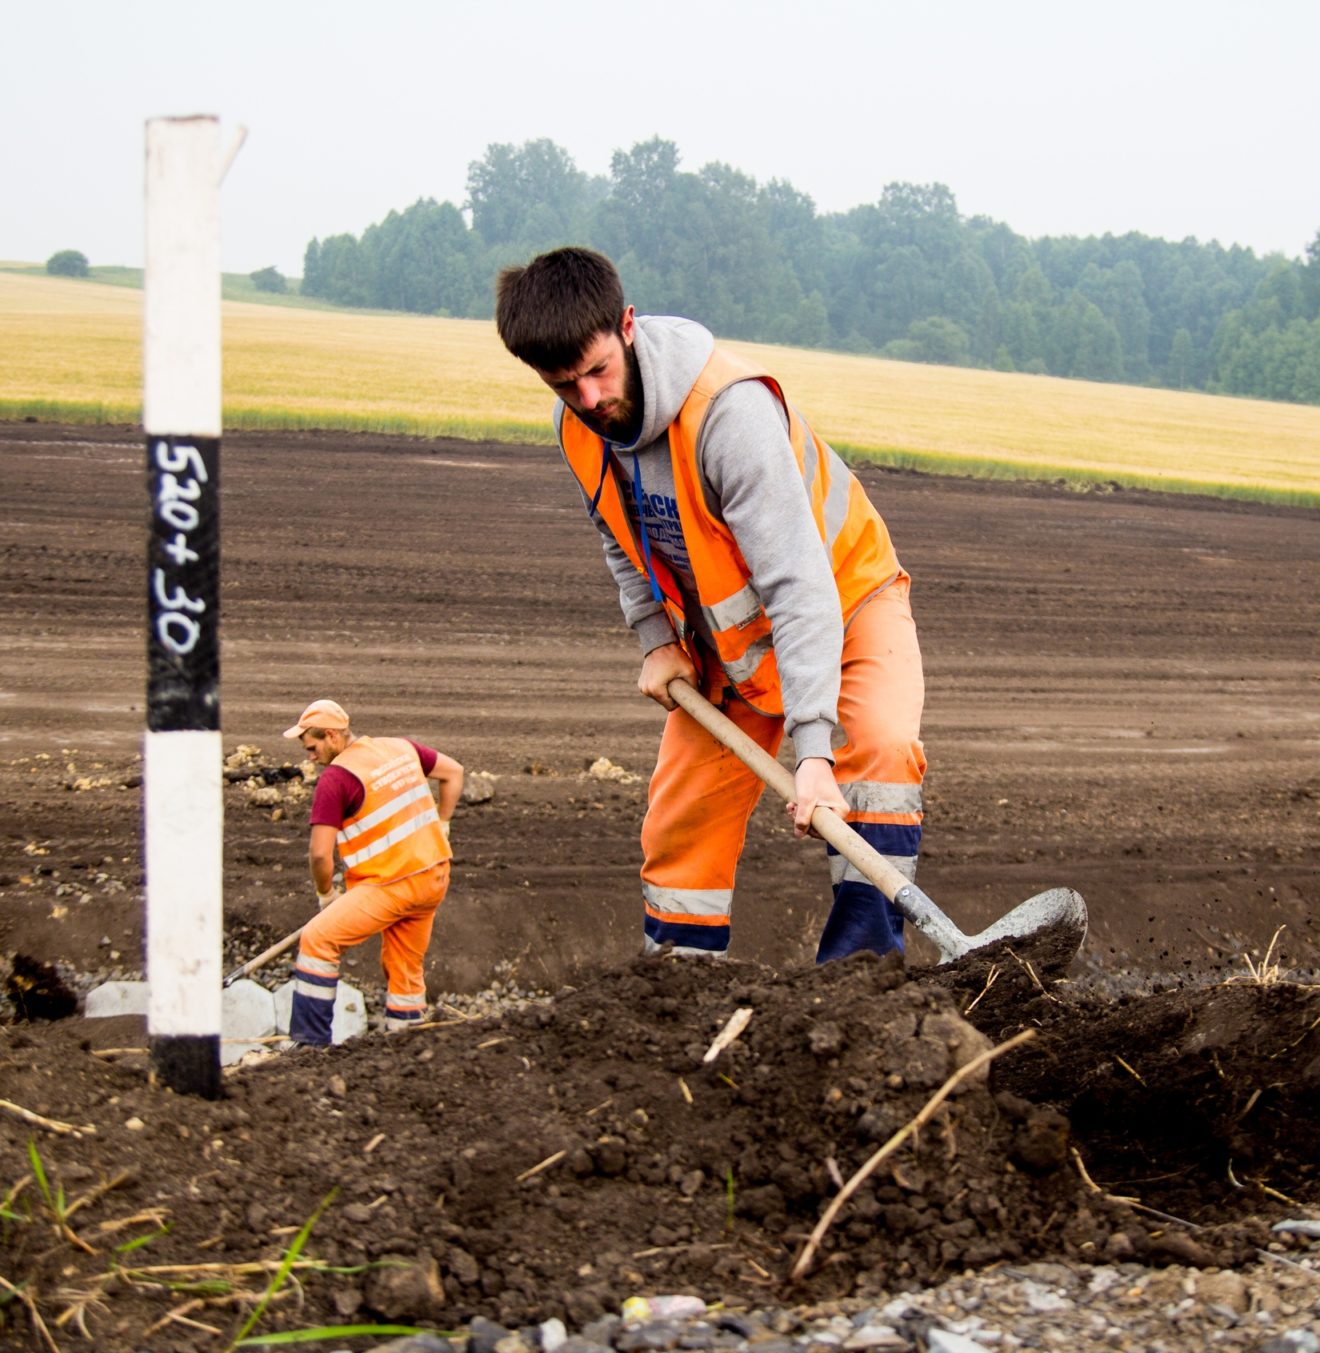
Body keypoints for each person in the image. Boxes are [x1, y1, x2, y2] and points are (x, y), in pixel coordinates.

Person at [494, 246, 925, 963]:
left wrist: (814, 751)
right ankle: (676, 997)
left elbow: (799, 584)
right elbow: (616, 532)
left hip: (844, 603)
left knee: (875, 753)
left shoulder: (730, 415)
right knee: (682, 812)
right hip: (732, 643)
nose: (591, 399)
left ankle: (861, 984)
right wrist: (655, 637)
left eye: (598, 371)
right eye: (564, 384)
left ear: (627, 325)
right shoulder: (578, 429)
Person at [281, 699, 464, 1045]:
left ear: (333, 736)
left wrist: (326, 896)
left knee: (318, 939)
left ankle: (308, 1047)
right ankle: (405, 1047)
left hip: (392, 884)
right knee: (405, 971)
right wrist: (444, 822)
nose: (310, 756)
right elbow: (454, 773)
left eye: (313, 746)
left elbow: (320, 854)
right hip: (433, 878)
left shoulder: (336, 779)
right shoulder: (399, 747)